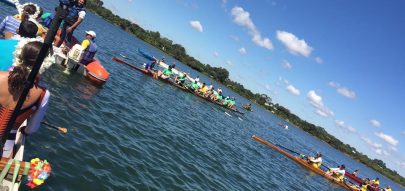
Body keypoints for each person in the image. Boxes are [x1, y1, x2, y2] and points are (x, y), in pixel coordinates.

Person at [0, 41, 50, 139]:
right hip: (5, 144)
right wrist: (24, 131)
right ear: (43, 63)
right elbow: (32, 129)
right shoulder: (43, 94)